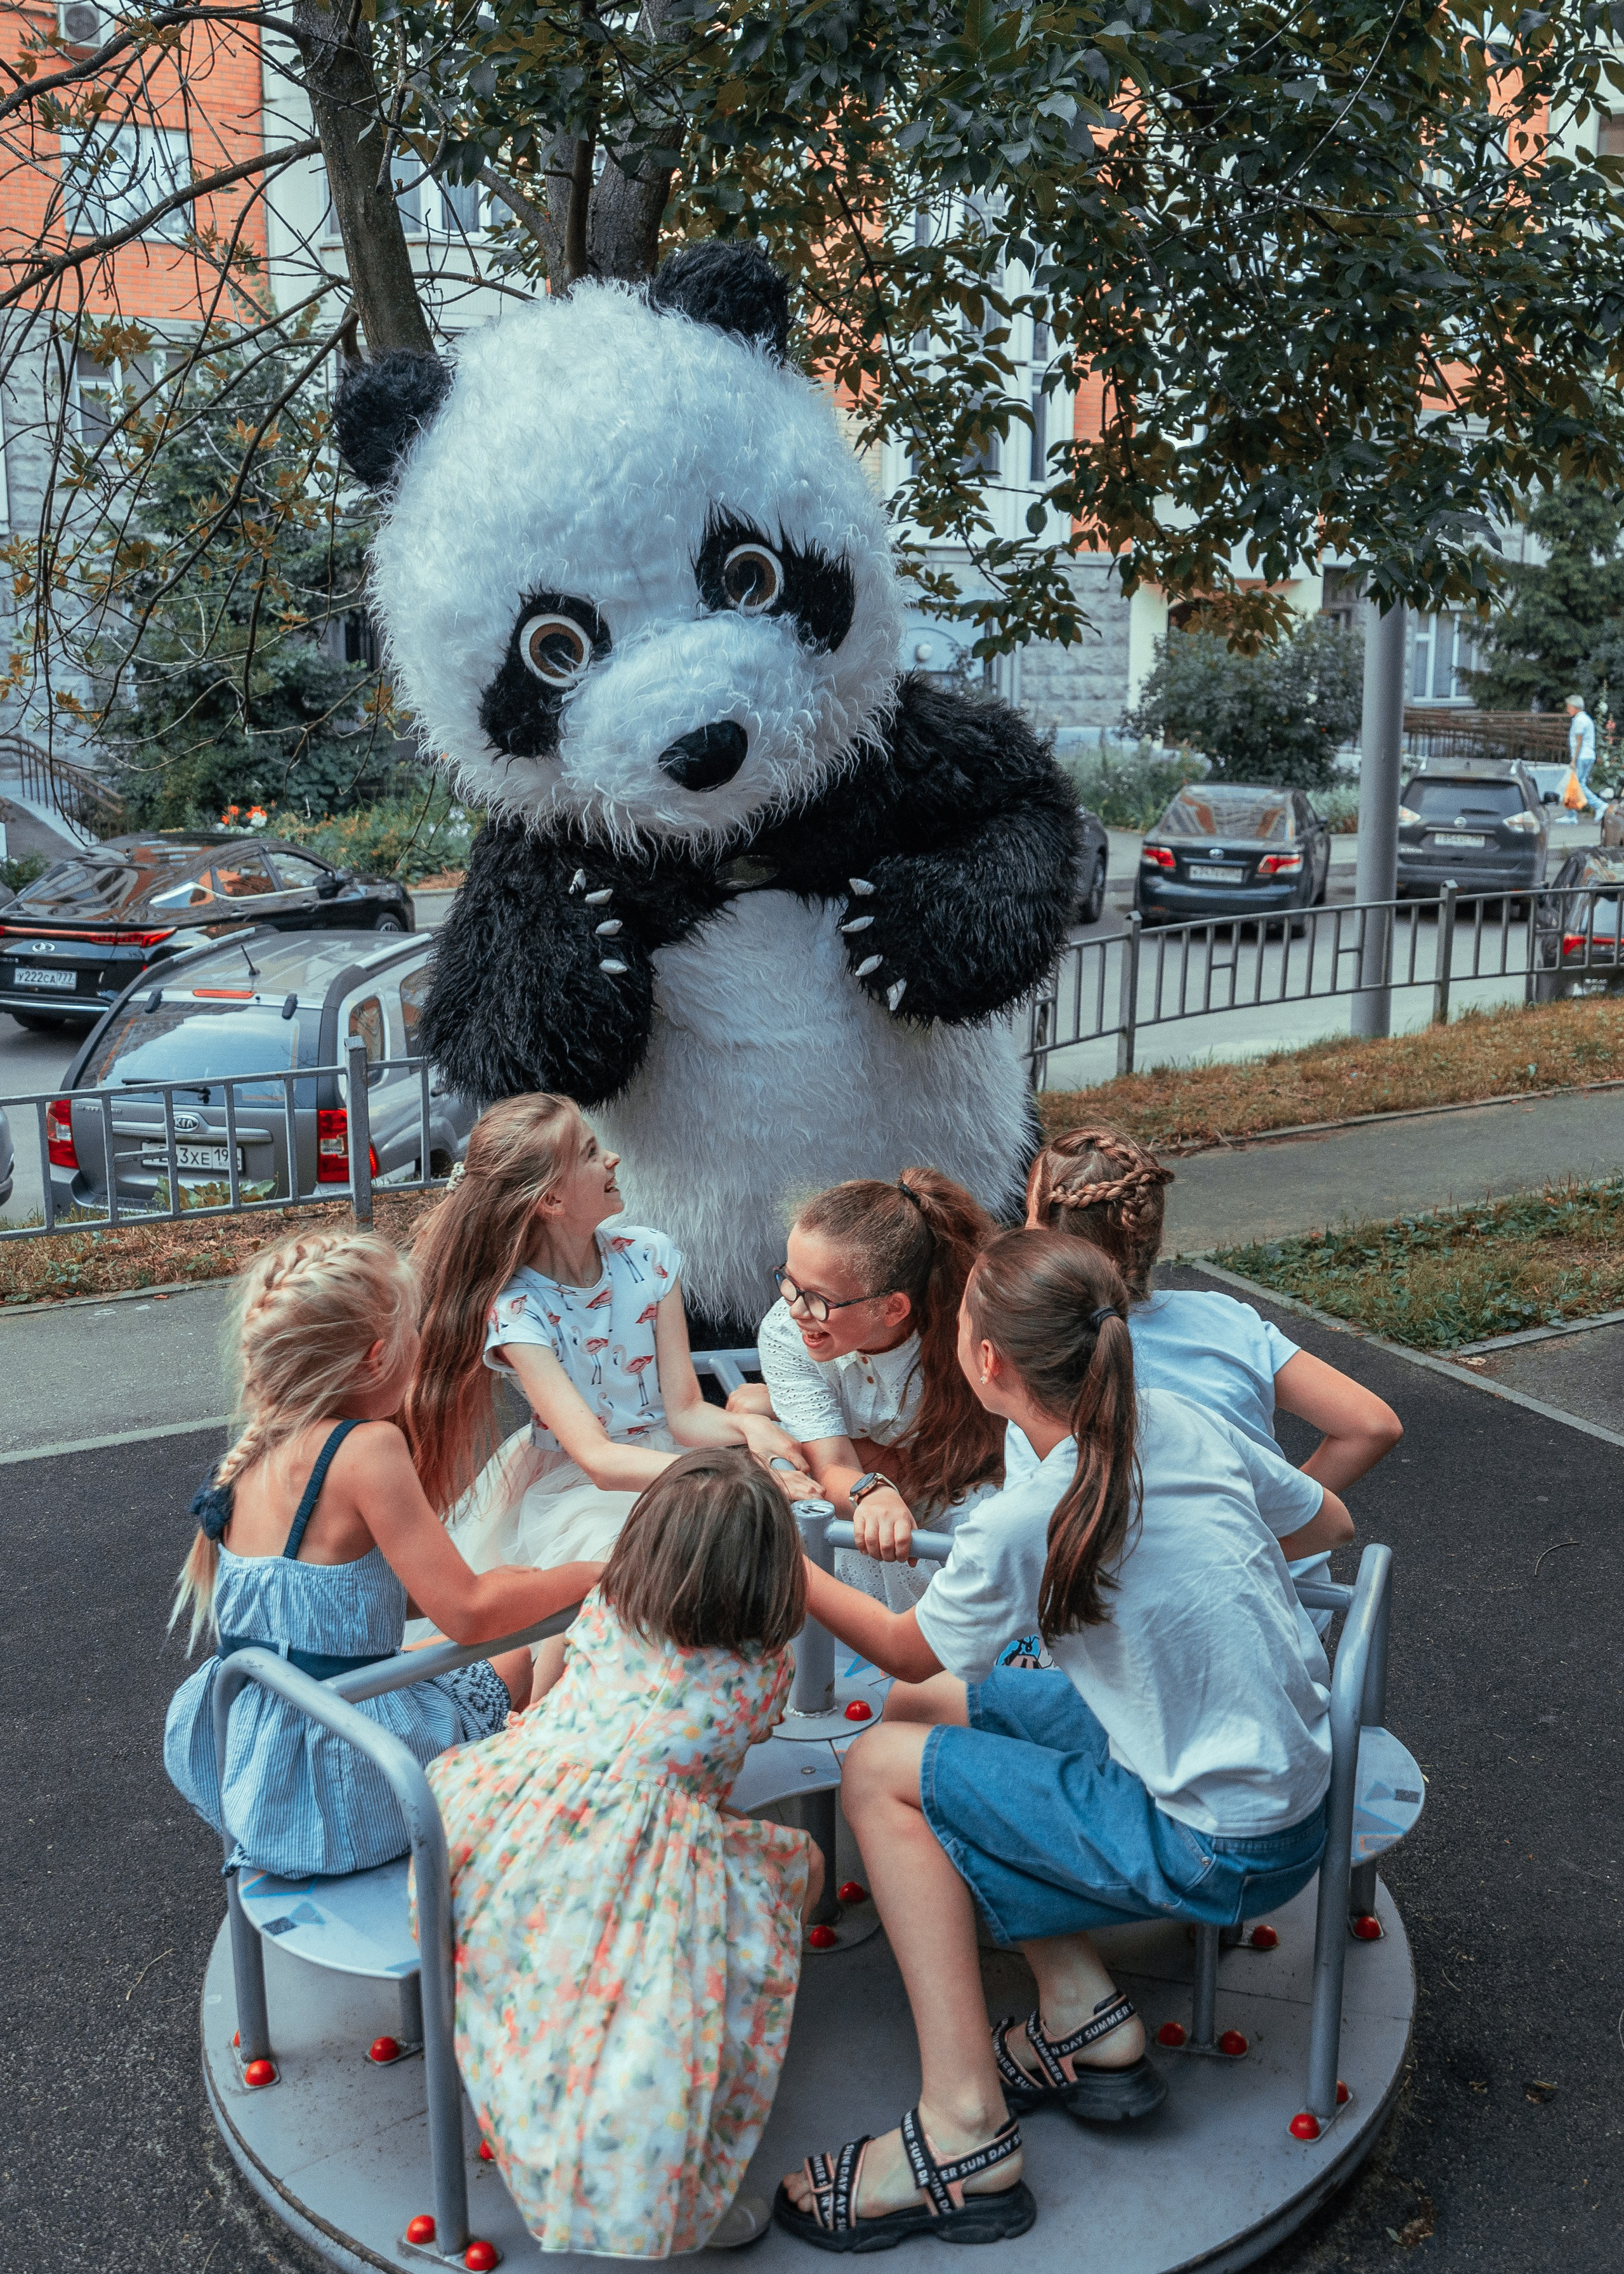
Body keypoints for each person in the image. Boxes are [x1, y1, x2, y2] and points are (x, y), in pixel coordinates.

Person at [775, 1233, 1351, 2248]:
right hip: (1287, 1784)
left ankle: (963, 2135)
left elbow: (907, 1650)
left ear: (989, 1363)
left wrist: (789, 1559)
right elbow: (1330, 1518)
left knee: (876, 1769)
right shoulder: (1173, 1422)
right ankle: (1082, 2015)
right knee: (939, 1713)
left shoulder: (1030, 1517)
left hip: (1221, 1842)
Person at [428, 1449, 819, 2258]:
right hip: (626, 1844)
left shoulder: (606, 1609)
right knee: (786, 1876)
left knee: (565, 1958)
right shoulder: (759, 1675)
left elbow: (563, 1685)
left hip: (501, 1807)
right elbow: (710, 1785)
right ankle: (681, 2170)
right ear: (769, 1572)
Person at [164, 1230, 598, 1880]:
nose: (422, 1346)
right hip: (346, 1779)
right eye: (413, 1331)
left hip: (251, 1748)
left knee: (444, 1653)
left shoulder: (257, 1451)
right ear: (374, 1360)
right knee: (517, 1654)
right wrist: (591, 1572)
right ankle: (519, 1818)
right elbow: (470, 1616)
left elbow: (383, 1595)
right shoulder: (366, 1449)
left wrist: (501, 1584)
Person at [405, 1092, 810, 1591]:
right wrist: (722, 1479)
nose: (612, 1158)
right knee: (634, 1561)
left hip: (670, 1454)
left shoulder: (650, 1255)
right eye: (592, 1153)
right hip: (578, 1485)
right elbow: (598, 1459)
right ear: (552, 1201)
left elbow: (684, 1410)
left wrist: (748, 1429)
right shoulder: (517, 1310)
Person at [1022, 1125, 1401, 1597]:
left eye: (1027, 1218)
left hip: (1164, 1609)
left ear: (1047, 1247)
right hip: (1294, 1593)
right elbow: (1372, 1425)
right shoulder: (1225, 1318)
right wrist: (1266, 1523)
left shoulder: (1042, 1355)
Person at [725, 1170, 1005, 1609]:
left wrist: (869, 1460)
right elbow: (830, 1465)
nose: (796, 1309)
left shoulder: (964, 1333)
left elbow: (984, 1458)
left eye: (819, 1298)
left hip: (964, 1487)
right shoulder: (785, 1333)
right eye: (788, 1281)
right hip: (882, 1491)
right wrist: (870, 1487)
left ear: (893, 1308)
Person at [1568, 693, 1606, 818]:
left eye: (1569, 706)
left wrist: (1573, 760)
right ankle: (1571, 815)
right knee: (1576, 784)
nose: (1568, 709)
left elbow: (1579, 742)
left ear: (1575, 707)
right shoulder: (1586, 719)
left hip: (1582, 757)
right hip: (1588, 755)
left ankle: (1600, 805)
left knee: (1578, 785)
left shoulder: (1579, 720)